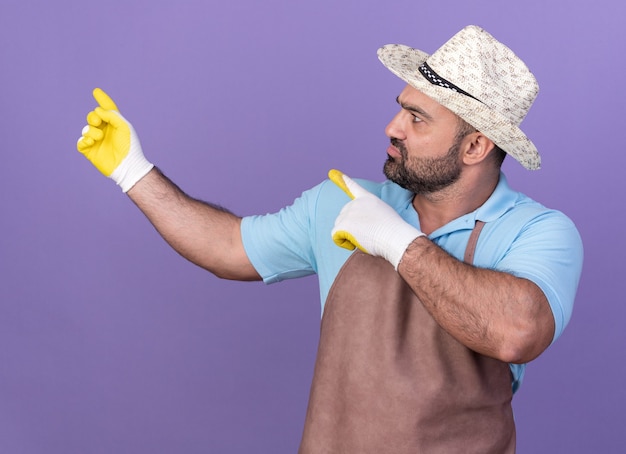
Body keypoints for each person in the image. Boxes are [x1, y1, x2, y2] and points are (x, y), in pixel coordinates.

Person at [76, 25, 583, 453]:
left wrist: (398, 242)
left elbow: (517, 333)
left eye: (417, 118)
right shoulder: (342, 201)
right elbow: (229, 247)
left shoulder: (537, 232)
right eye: (401, 108)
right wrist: (132, 171)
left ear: (475, 145)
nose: (393, 127)